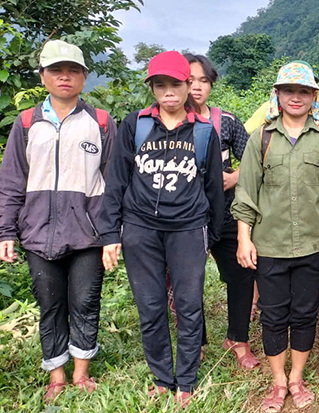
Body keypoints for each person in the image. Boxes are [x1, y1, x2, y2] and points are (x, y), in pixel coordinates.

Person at [99, 51, 225, 407]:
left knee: (188, 305)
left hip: (188, 228)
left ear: (189, 86)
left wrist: (210, 236)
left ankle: (185, 380)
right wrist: (111, 234)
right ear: (152, 88)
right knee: (150, 305)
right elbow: (116, 182)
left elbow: (214, 188)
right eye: (160, 85)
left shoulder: (203, 133)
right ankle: (160, 378)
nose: (168, 91)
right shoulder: (135, 126)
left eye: (175, 84)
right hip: (140, 228)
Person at [232, 61, 319, 413]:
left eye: (304, 91)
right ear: (278, 95)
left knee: (304, 312)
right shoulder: (262, 139)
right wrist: (244, 238)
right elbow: (246, 195)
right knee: (273, 315)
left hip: (315, 244)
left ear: (314, 96)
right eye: (289, 91)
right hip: (269, 245)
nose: (296, 97)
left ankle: (297, 378)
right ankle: (278, 381)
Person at [0, 40, 116, 402]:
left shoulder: (100, 122)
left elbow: (114, 183)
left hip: (87, 233)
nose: (64, 76)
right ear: (43, 76)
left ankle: (81, 372)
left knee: (84, 300)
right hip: (37, 233)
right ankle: (57, 375)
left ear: (84, 77)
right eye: (56, 70)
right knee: (50, 305)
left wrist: (113, 233)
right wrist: (6, 230)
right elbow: (12, 180)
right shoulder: (26, 122)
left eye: (73, 70)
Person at [184, 53, 259, 370]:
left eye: (203, 80)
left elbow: (255, 159)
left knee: (243, 275)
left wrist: (235, 176)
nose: (196, 87)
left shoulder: (225, 120)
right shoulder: (168, 124)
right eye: (190, 80)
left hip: (227, 214)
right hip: (186, 217)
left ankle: (238, 339)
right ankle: (196, 342)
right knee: (191, 281)